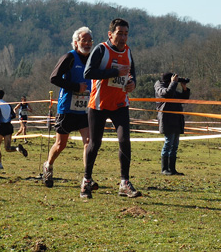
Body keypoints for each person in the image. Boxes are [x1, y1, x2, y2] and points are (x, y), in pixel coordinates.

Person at [81, 18, 141, 199]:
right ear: (110, 34)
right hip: (99, 105)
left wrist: (132, 84)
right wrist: (114, 72)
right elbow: (88, 73)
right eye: (119, 33)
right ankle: (86, 181)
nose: (123, 37)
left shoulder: (128, 51)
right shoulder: (101, 50)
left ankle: (124, 183)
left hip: (120, 104)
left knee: (124, 140)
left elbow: (132, 75)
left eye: (126, 34)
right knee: (94, 144)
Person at [42, 27, 96, 188]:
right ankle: (48, 165)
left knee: (88, 142)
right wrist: (74, 86)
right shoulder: (69, 58)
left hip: (84, 109)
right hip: (66, 109)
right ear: (75, 42)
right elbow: (54, 78)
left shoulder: (93, 60)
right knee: (61, 145)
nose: (86, 44)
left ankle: (87, 178)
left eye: (89, 41)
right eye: (83, 40)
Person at [155, 72, 190, 175]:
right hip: (167, 119)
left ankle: (172, 169)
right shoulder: (159, 86)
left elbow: (183, 99)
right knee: (168, 143)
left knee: (175, 145)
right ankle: (164, 169)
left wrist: (184, 88)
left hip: (176, 119)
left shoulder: (171, 87)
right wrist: (173, 83)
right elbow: (167, 94)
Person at [0, 90, 28, 170]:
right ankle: (17, 148)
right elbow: (13, 115)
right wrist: (8, 118)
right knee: (7, 148)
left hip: (0, 127)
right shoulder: (7, 104)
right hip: (9, 127)